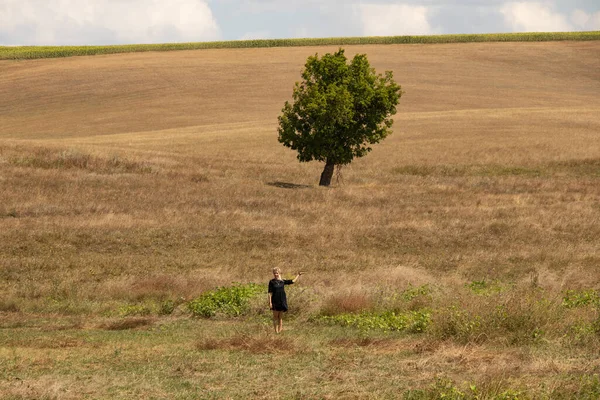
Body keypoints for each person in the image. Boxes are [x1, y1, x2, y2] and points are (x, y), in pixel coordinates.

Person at [268, 268, 302, 334]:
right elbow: (270, 293)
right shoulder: (271, 282)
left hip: (282, 300)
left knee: (280, 317)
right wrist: (270, 302)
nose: (276, 274)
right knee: (275, 317)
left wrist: (298, 275)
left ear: (279, 273)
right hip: (275, 300)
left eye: (277, 273)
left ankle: (280, 331)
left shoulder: (282, 281)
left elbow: (292, 281)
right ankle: (276, 331)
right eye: (274, 273)